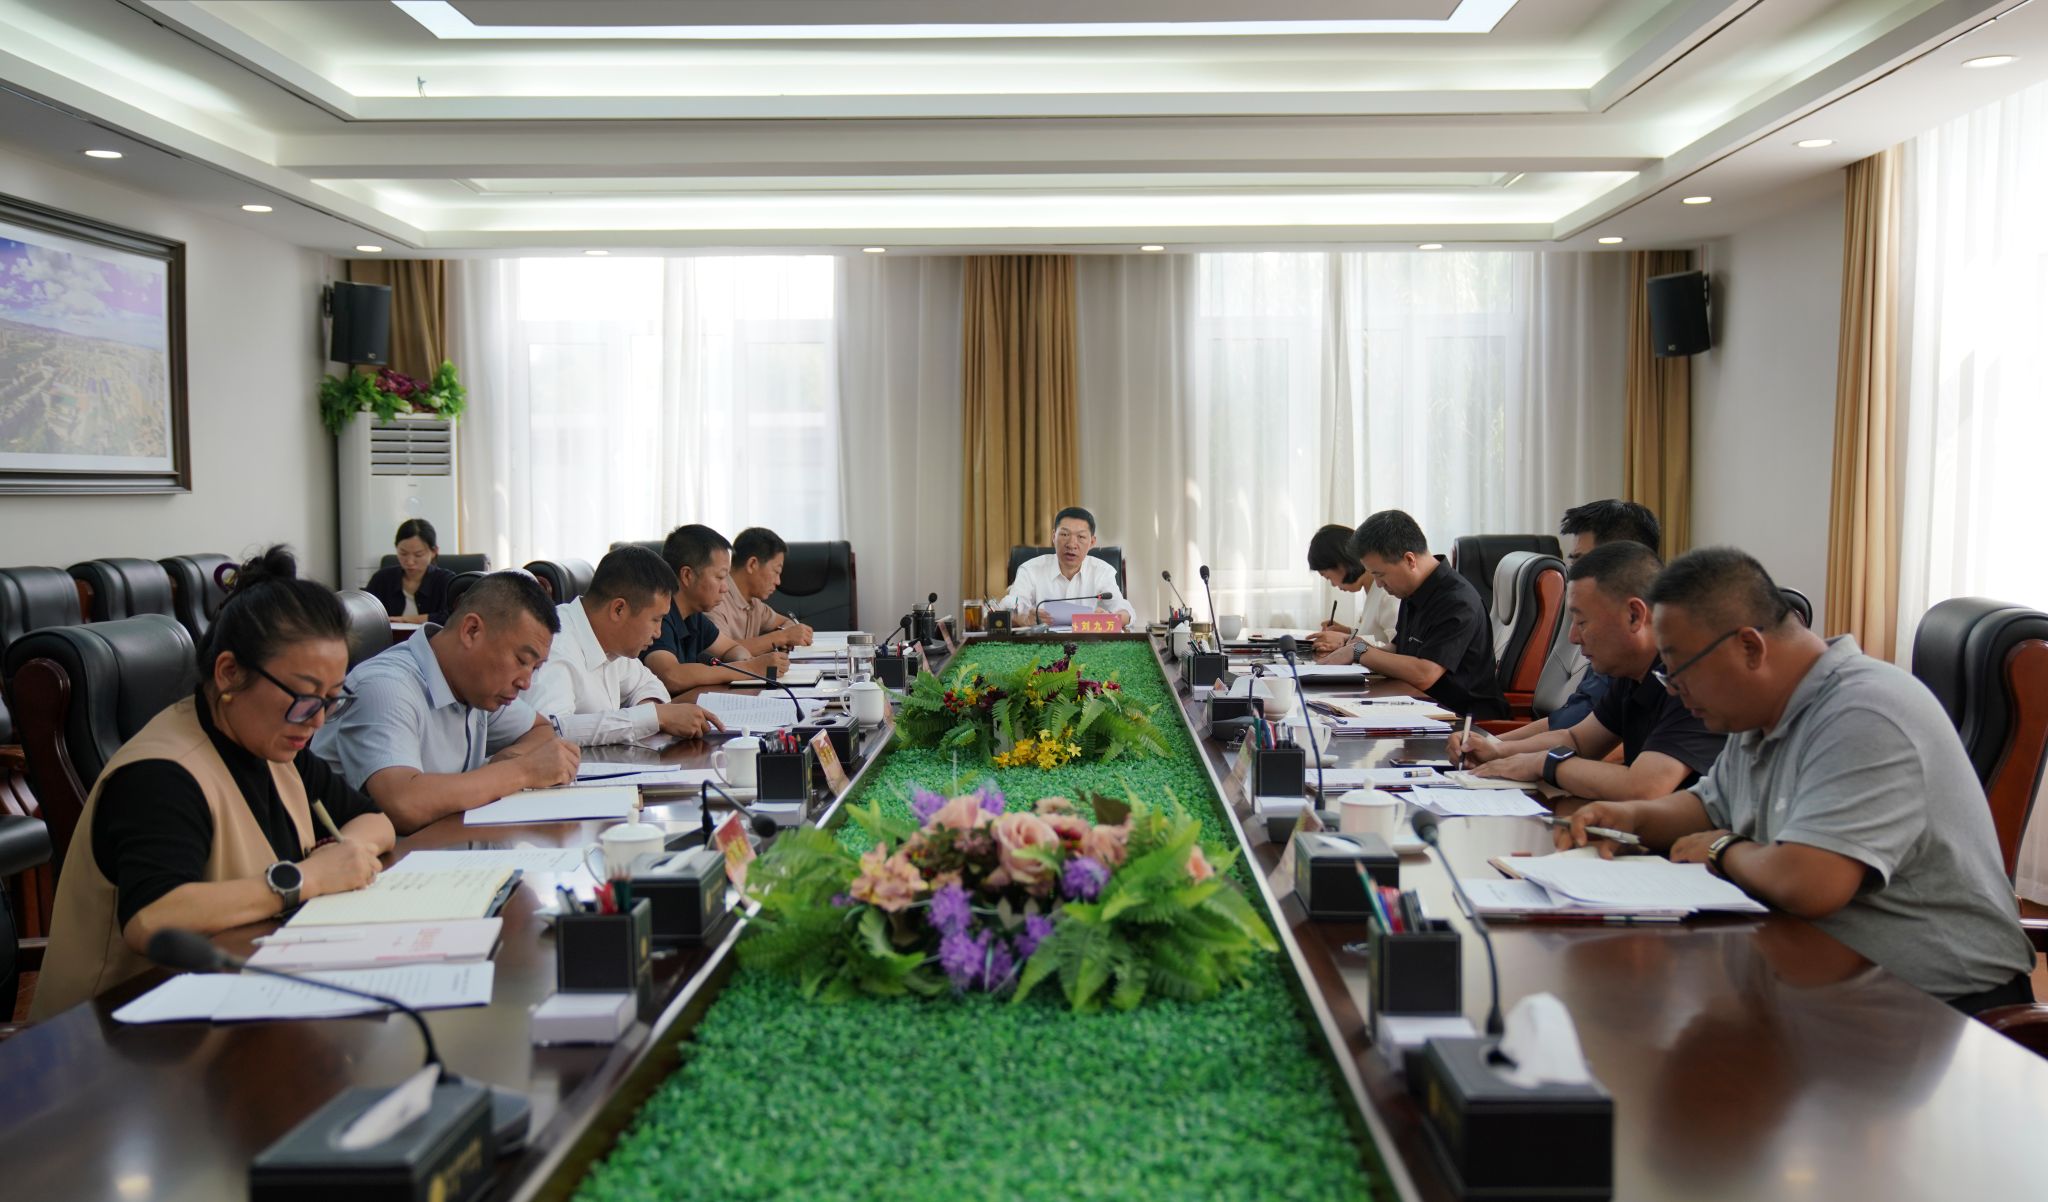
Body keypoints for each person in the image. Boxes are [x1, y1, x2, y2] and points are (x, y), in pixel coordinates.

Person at [1558, 546, 2036, 1014]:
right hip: (1816, 972)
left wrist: (1722, 849)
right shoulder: (1757, 713)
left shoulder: (1863, 713)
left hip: (1938, 1007)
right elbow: (1706, 807)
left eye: (1679, 670)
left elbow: (1810, 882)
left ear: (1749, 647)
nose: (1676, 691)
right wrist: (1629, 818)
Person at [30, 547, 395, 1018]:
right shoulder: (160, 774)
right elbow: (154, 919)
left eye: (331, 699)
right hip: (117, 1036)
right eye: (306, 697)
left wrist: (347, 855)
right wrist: (308, 878)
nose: (318, 720)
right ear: (228, 673)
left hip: (236, 1002)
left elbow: (375, 821)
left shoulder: (275, 742)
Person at [1446, 541, 1723, 800]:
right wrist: (1496, 749)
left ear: (1634, 615)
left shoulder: (1689, 677)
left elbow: (1644, 787)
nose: (1573, 638)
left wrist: (1543, 763)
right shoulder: (1633, 672)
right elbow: (1577, 739)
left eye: (1581, 622)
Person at [313, 570, 581, 833]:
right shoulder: (386, 686)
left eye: (535, 667)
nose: (526, 683)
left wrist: (505, 765)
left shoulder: (475, 686)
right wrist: (521, 771)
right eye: (521, 661)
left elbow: (540, 731)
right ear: (471, 630)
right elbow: (402, 805)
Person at [526, 545, 725, 744]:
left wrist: (653, 712)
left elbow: (648, 683)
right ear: (619, 609)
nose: (658, 632)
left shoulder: (611, 640)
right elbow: (550, 731)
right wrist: (654, 717)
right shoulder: (554, 645)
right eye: (656, 620)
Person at [1343, 510, 1507, 719]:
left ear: (1409, 560)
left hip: (1464, 721)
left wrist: (1360, 652)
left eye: (1380, 574)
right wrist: (1353, 647)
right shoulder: (1413, 590)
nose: (1379, 584)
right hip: (1422, 707)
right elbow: (1399, 649)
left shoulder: (1457, 601)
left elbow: (1425, 674)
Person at [642, 524, 791, 697]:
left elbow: (731, 648)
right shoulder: (660, 616)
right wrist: (749, 668)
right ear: (687, 575)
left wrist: (745, 662)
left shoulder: (694, 617)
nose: (725, 588)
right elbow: (671, 676)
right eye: (720, 577)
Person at [995, 506, 1137, 626]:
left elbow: (1125, 611)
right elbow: (1009, 607)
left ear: (1092, 542)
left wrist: (1111, 619)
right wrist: (1022, 618)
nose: (1071, 544)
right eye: (1064, 534)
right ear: (1053, 536)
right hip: (1041, 643)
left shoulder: (1102, 571)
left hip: (1089, 644)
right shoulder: (1030, 569)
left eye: (1081, 537)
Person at [708, 527, 814, 661]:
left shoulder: (754, 603)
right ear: (752, 564)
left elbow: (786, 622)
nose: (778, 581)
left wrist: (786, 633)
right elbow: (723, 651)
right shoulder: (714, 600)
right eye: (776, 571)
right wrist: (783, 637)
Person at [1305, 523, 1398, 660]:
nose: (1333, 584)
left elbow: (1398, 650)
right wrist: (1348, 632)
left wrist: (1345, 640)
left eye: (1328, 577)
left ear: (1341, 562)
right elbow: (1376, 636)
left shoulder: (1388, 594)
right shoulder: (1373, 590)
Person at [364, 518, 455, 625]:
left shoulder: (446, 580)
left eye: (418, 555)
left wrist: (405, 619)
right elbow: (364, 612)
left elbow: (453, 616)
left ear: (434, 551)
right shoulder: (382, 579)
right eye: (403, 553)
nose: (410, 562)